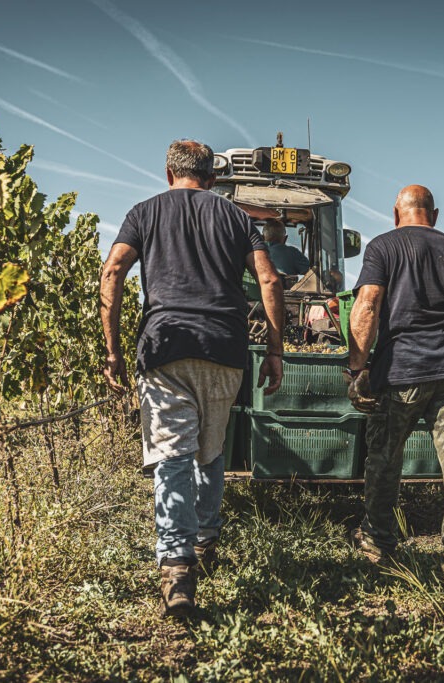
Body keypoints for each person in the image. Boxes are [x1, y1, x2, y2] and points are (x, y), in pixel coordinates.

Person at [100, 139, 285, 617]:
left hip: (165, 347)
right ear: (213, 178)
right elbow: (269, 279)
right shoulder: (237, 219)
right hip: (225, 350)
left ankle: (177, 566)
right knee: (210, 451)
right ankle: (204, 541)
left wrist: (113, 350)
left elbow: (113, 271)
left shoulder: (144, 212)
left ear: (168, 174)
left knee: (172, 456)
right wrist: (276, 350)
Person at [345, 184, 444, 601]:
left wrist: (357, 367)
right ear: (435, 215)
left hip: (401, 371)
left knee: (385, 461)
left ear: (396, 213)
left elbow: (367, 304)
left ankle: (379, 542)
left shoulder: (384, 246)